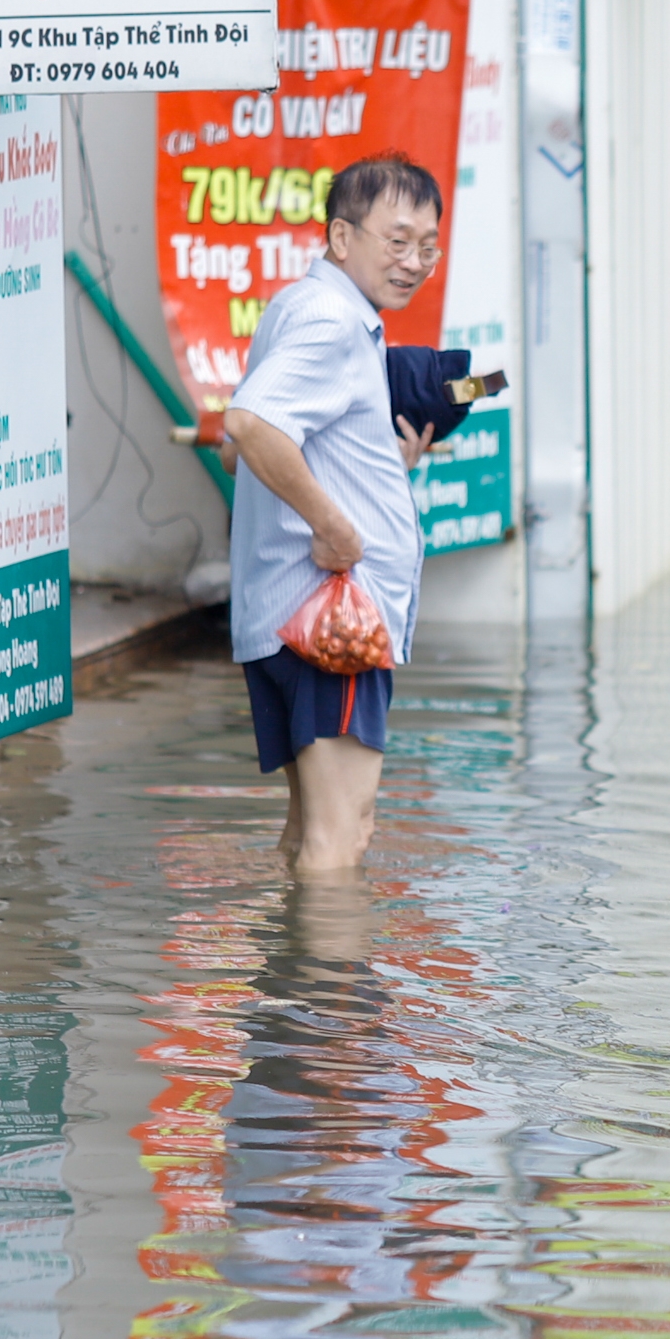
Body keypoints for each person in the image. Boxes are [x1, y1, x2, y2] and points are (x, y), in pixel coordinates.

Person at [222, 153, 445, 871]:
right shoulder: (334, 323)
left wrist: (379, 470)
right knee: (341, 835)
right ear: (342, 238)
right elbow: (251, 426)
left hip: (282, 620)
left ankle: (293, 981)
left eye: (429, 246)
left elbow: (239, 448)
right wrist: (333, 524)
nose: (414, 261)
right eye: (398, 240)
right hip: (330, 626)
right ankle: (331, 987)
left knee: (308, 832)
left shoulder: (297, 307)